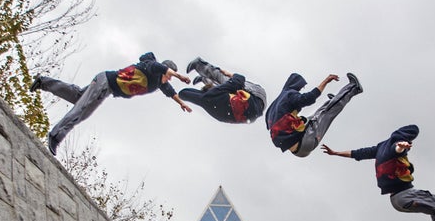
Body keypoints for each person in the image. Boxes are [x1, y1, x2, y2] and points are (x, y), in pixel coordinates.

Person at [30, 52, 193, 155]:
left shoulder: (160, 84)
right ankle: (56, 136)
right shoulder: (151, 66)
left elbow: (171, 92)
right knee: (83, 110)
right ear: (164, 70)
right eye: (168, 76)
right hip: (105, 82)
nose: (167, 79)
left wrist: (181, 104)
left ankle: (43, 82)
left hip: (107, 88)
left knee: (78, 96)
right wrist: (179, 76)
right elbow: (162, 70)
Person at [265, 72, 362, 157]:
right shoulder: (290, 95)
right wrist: (326, 81)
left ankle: (331, 102)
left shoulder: (274, 106)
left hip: (298, 146)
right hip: (304, 142)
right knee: (327, 112)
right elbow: (309, 98)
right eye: (301, 87)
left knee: (310, 118)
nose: (300, 90)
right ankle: (354, 88)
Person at [180, 57, 267, 124]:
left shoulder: (205, 100)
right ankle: (199, 64)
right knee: (224, 80)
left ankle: (205, 79)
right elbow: (240, 78)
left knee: (227, 89)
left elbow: (183, 94)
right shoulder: (208, 97)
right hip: (256, 95)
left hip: (253, 113)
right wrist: (229, 74)